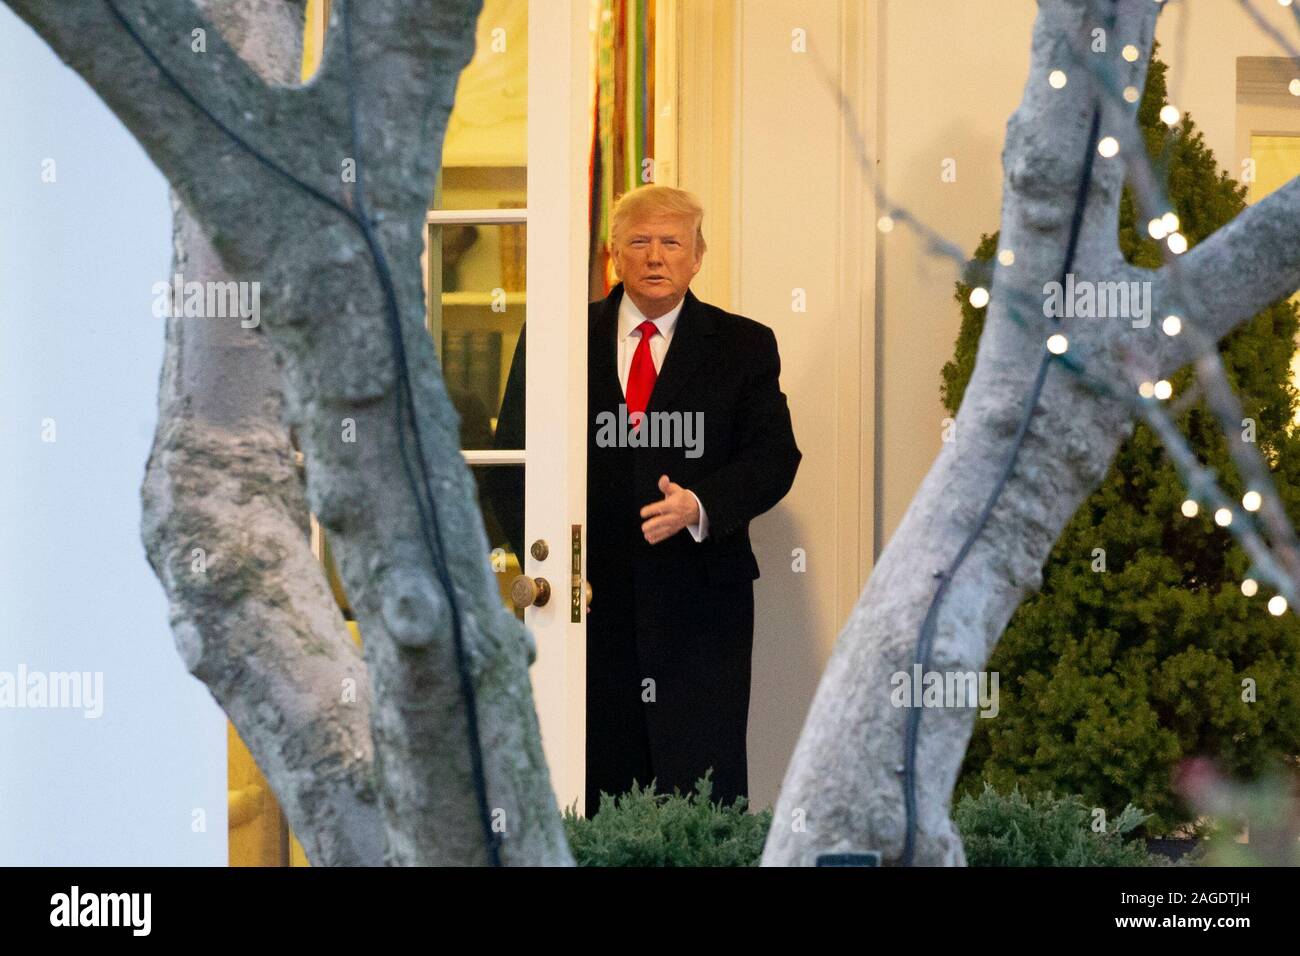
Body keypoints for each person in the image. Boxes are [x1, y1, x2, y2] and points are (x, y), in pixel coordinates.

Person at [584, 185, 800, 816]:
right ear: (615, 254)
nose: (656, 257)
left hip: (701, 608)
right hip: (587, 606)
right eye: (640, 242)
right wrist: (551, 555)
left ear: (697, 256)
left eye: (672, 243)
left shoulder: (744, 345)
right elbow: (510, 460)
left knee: (698, 786)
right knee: (596, 784)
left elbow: (773, 458)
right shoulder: (560, 336)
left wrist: (699, 504)